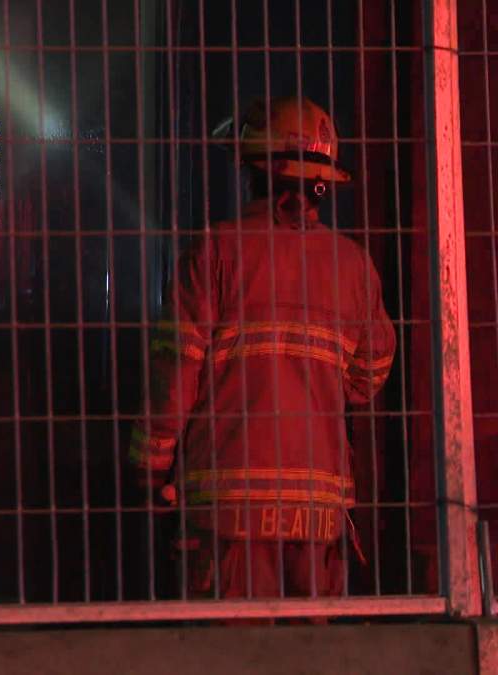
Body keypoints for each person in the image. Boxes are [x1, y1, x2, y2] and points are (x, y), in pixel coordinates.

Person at [129, 96, 396, 601]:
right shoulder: (355, 267)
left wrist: (150, 466)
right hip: (320, 515)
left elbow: (174, 376)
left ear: (253, 170)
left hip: (227, 514)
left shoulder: (214, 251)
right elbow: (367, 379)